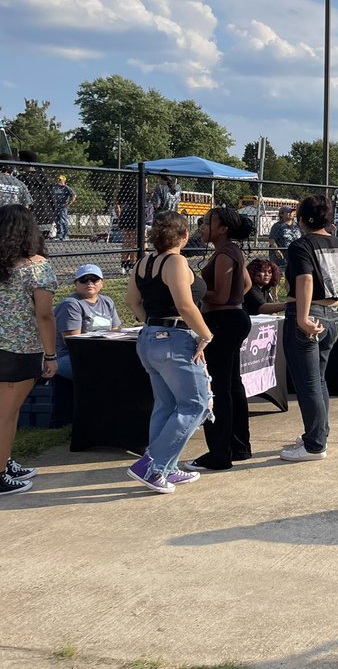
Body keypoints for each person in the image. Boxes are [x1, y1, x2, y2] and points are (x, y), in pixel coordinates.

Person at [124, 210, 214, 494]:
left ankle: (166, 468)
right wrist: (206, 334)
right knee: (196, 404)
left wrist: (149, 321)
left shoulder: (142, 263)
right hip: (175, 338)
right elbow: (185, 305)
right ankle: (152, 464)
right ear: (185, 236)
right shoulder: (176, 261)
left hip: (151, 338)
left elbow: (131, 301)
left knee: (166, 405)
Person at [184, 207, 254, 472]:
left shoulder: (225, 253)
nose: (202, 227)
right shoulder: (232, 251)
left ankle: (219, 454)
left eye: (207, 223)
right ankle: (239, 446)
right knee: (232, 386)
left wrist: (194, 289)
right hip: (233, 319)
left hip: (223, 322)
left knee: (218, 390)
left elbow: (222, 296)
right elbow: (246, 285)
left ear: (223, 228)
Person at [281, 193, 338, 462]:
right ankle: (318, 433)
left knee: (308, 382)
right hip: (332, 314)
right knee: (318, 380)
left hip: (309, 315)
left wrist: (302, 317)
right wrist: (336, 311)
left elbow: (305, 280)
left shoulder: (301, 246)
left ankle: (314, 444)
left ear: (301, 219)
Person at [0, 204, 58, 495]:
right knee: (6, 414)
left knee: (6, 412)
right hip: (19, 349)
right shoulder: (37, 265)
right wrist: (51, 354)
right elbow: (44, 315)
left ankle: (5, 460)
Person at [53, 263, 121, 380]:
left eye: (94, 279)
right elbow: (73, 343)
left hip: (100, 353)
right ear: (76, 284)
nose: (90, 283)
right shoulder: (71, 304)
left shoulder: (107, 301)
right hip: (70, 357)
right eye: (84, 280)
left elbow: (116, 331)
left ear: (102, 283)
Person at [113, 172, 141, 275]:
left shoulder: (120, 189)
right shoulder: (137, 188)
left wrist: (120, 215)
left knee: (126, 240)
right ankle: (133, 264)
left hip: (125, 214)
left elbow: (116, 205)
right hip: (134, 214)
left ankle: (124, 263)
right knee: (133, 241)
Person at [268, 205, 301, 271]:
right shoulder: (277, 226)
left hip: (295, 254)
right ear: (282, 214)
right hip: (282, 255)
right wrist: (277, 250)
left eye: (292, 212)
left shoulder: (297, 225)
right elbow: (272, 239)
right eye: (288, 212)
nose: (291, 214)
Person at [50, 174, 75, 240]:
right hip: (56, 206)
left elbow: (74, 195)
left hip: (63, 206)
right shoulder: (55, 187)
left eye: (60, 179)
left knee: (63, 220)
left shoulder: (66, 187)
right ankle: (60, 235)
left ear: (63, 180)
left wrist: (69, 203)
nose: (58, 180)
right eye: (58, 179)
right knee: (57, 220)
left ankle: (65, 235)